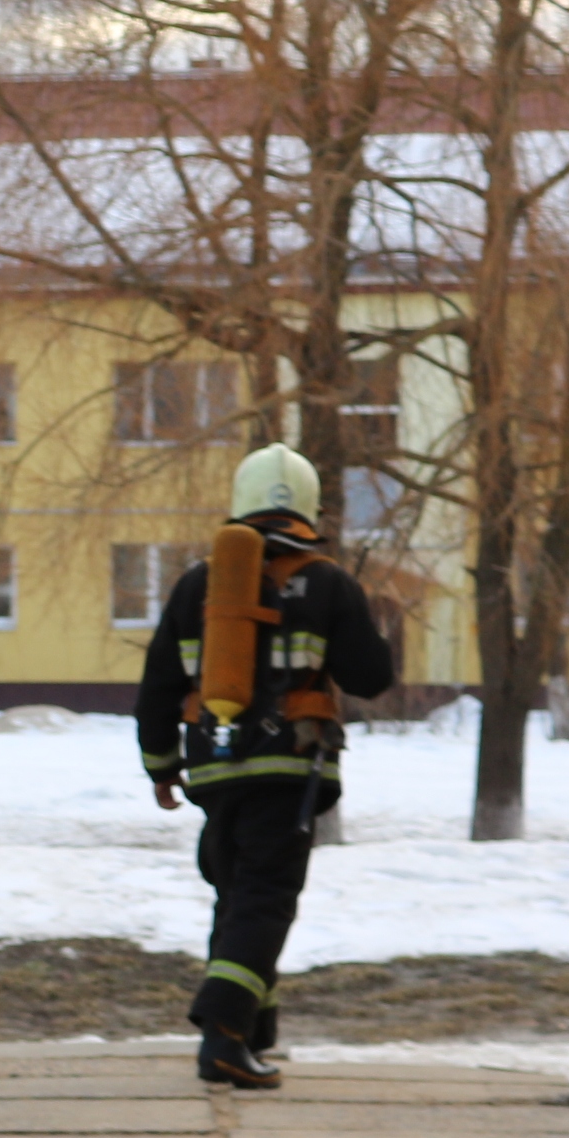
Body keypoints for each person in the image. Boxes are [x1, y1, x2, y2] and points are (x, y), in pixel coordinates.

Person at [131, 442, 398, 1089]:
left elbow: (157, 684)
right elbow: (372, 677)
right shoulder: (327, 580)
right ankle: (223, 1034)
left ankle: (252, 1032)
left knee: (238, 894)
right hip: (287, 769)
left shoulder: (197, 583)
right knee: (265, 898)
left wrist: (161, 767)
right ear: (306, 508)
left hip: (214, 770)